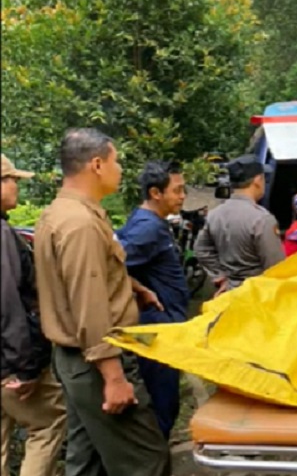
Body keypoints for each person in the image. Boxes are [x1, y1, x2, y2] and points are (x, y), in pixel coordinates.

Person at [34, 128, 170, 475]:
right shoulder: (80, 224)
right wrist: (113, 377)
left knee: (87, 460)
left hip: (75, 359)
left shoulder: (61, 212)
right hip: (97, 358)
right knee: (147, 460)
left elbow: (81, 279)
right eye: (117, 161)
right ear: (97, 164)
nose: (120, 169)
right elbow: (88, 304)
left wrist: (132, 286)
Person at [1, 154, 66, 476]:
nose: (17, 187)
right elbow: (8, 304)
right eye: (12, 179)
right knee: (50, 420)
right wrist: (25, 369)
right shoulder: (2, 236)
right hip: (10, 366)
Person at [115, 161, 189, 440]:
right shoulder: (148, 228)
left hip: (163, 324)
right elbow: (111, 262)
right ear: (155, 193)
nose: (182, 197)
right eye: (177, 190)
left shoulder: (150, 223)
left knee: (163, 400)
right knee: (162, 403)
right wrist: (140, 288)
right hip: (157, 328)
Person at [195, 154, 285, 293]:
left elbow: (201, 249)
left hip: (228, 294)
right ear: (257, 180)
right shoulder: (262, 219)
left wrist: (221, 276)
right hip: (255, 296)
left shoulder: (215, 214)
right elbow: (277, 268)